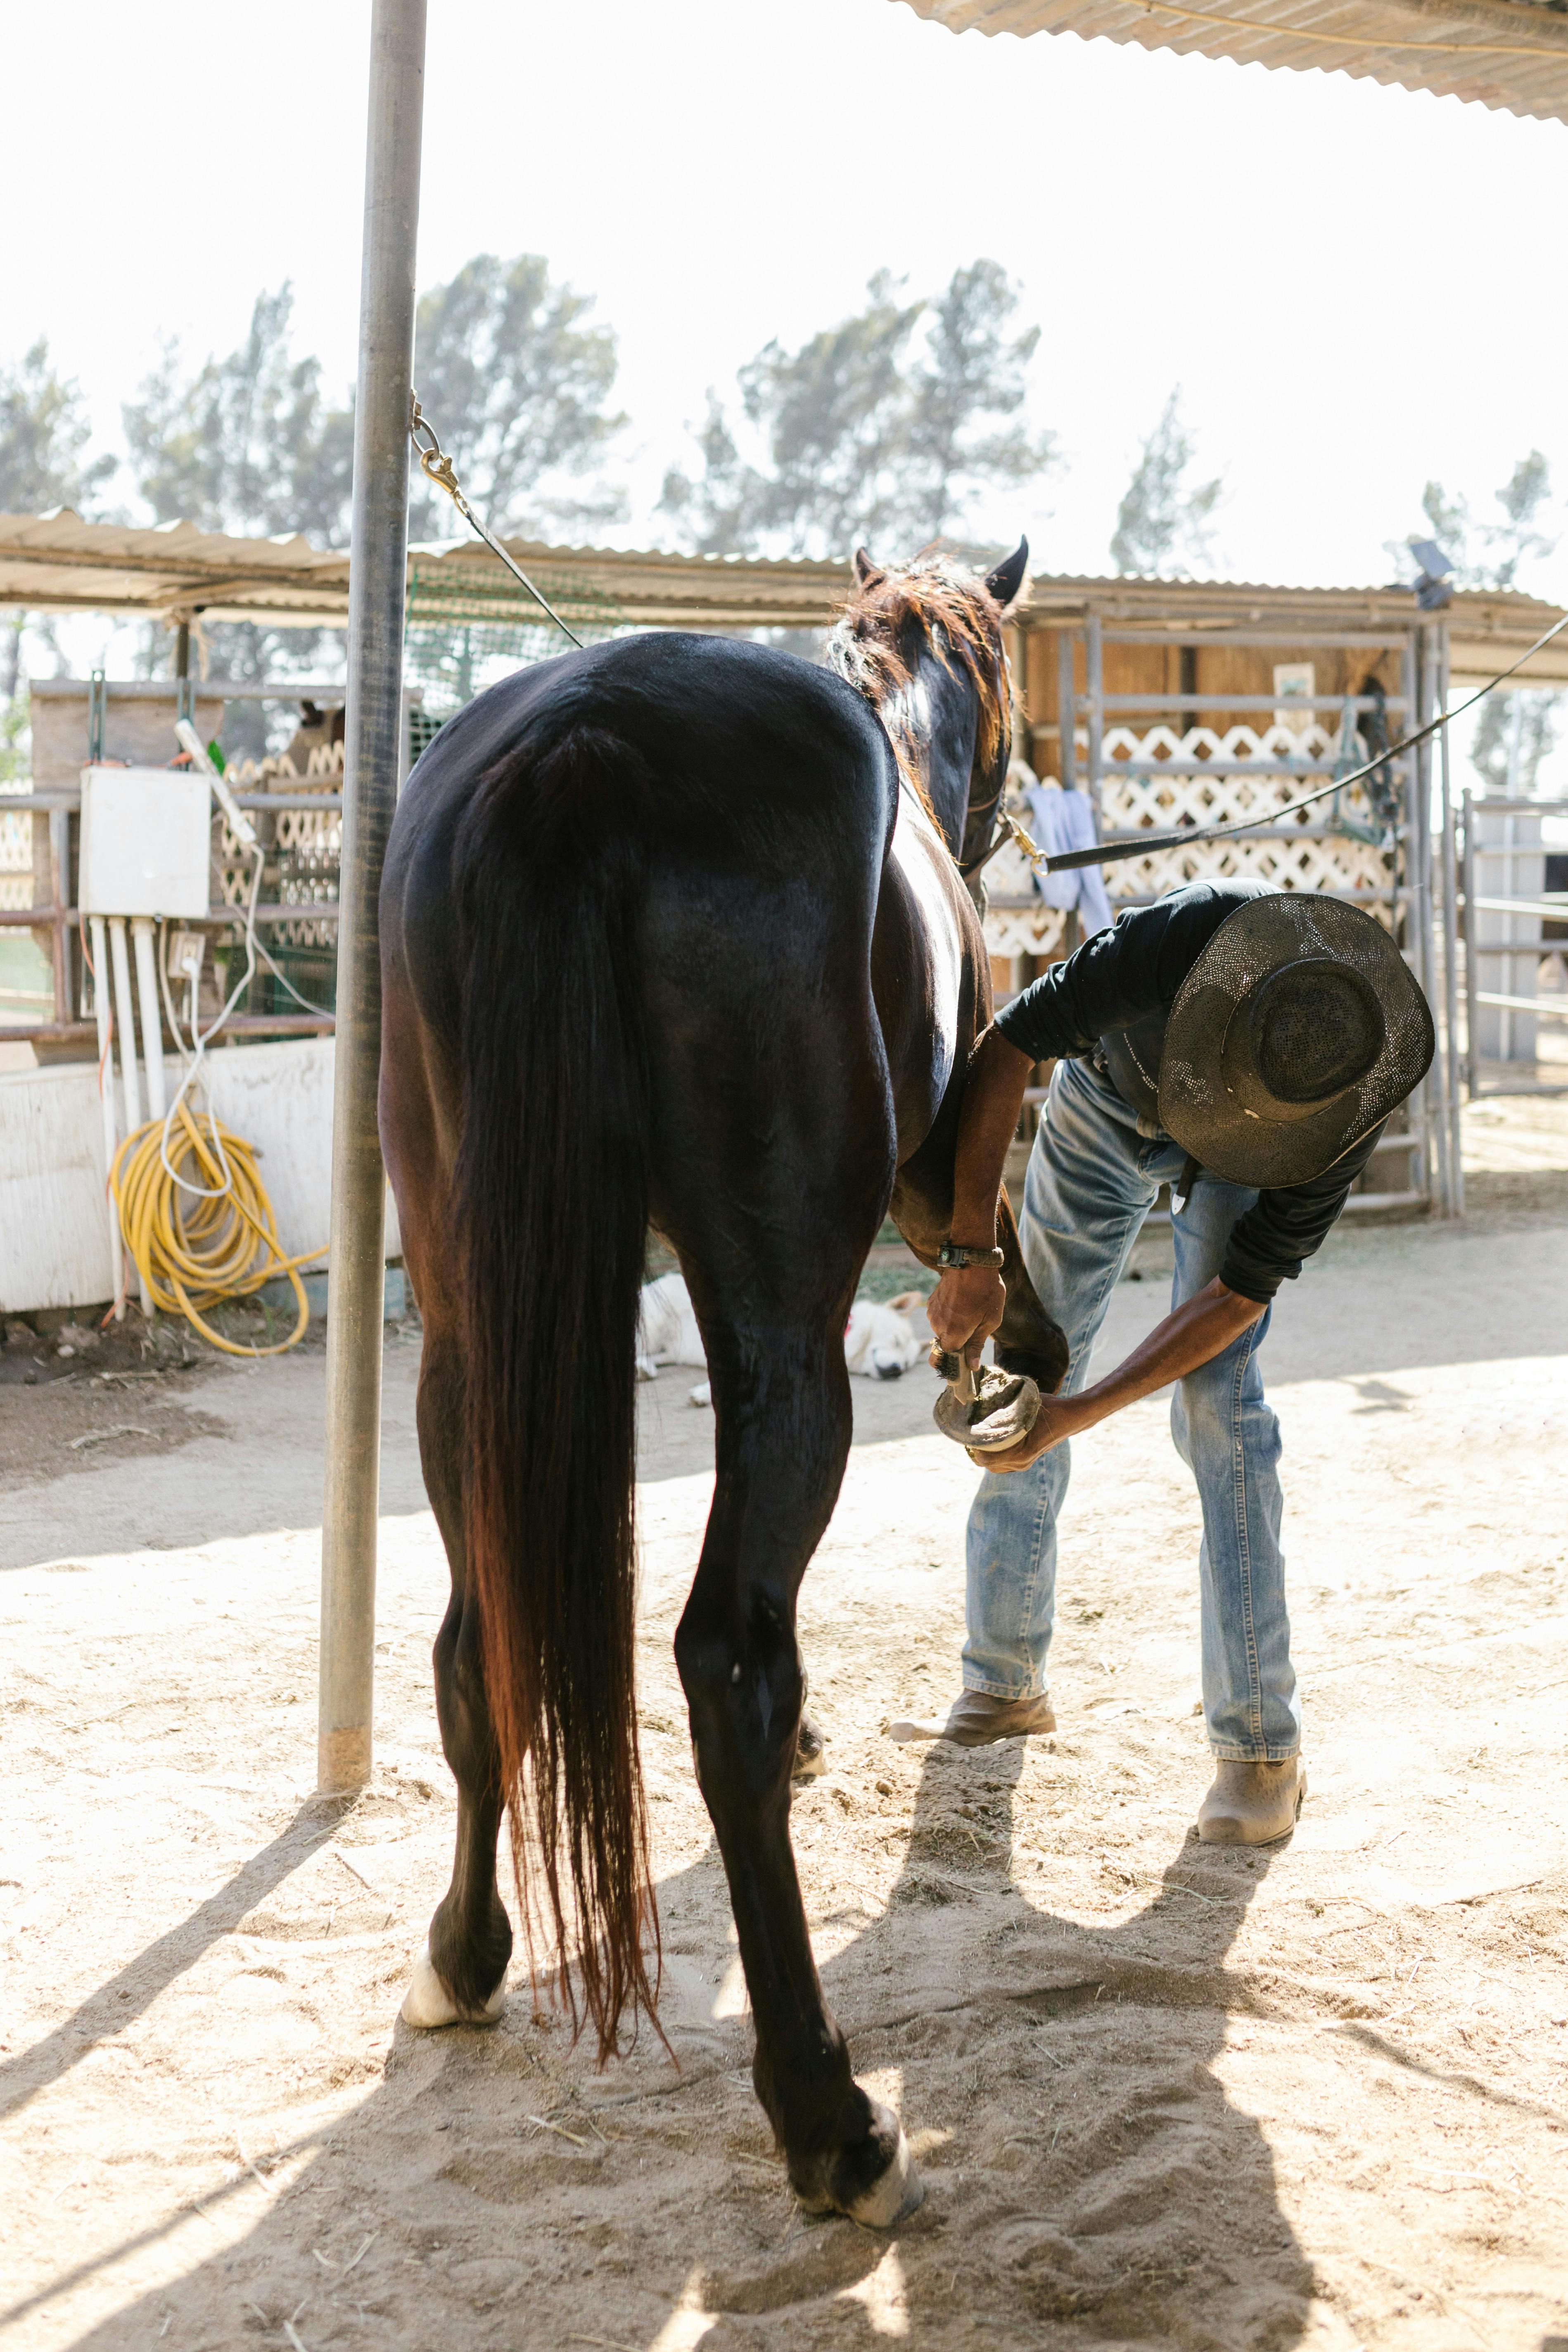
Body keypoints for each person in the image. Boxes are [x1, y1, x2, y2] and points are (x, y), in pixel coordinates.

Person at [893, 878, 1433, 1845]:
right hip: (1108, 1101)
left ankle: (1262, 1746)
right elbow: (1010, 1042)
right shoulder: (1173, 939)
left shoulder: (1343, 1099)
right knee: (1032, 1359)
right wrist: (972, 1252)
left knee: (1221, 1408)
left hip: (1254, 1158)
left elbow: (1234, 1300)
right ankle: (1003, 1677)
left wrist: (1085, 1413)